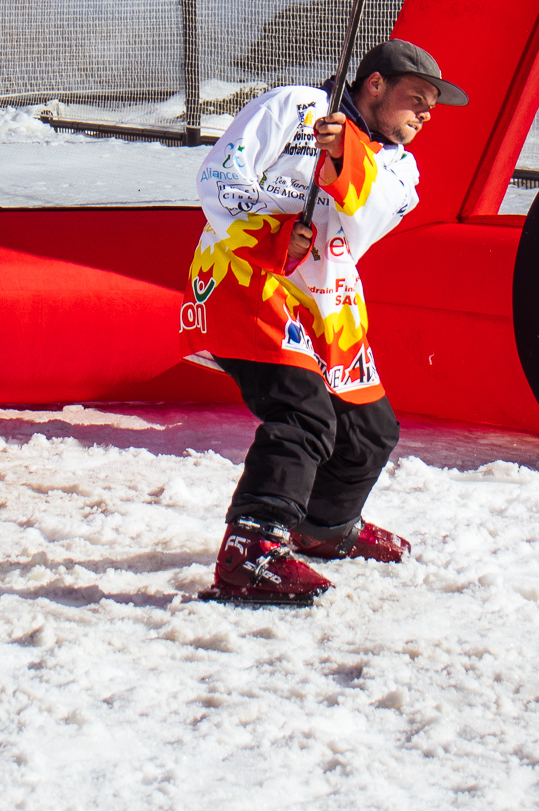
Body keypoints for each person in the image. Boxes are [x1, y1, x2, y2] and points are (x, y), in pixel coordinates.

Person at [180, 39, 468, 606]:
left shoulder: (401, 167)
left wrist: (345, 156)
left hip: (328, 304)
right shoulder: (293, 107)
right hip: (249, 281)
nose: (426, 114)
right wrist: (275, 225)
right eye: (417, 98)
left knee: (371, 430)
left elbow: (363, 220)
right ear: (376, 84)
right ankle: (252, 552)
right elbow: (218, 176)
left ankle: (324, 526)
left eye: (432, 105)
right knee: (302, 411)